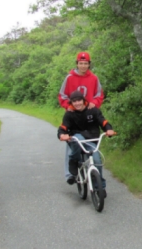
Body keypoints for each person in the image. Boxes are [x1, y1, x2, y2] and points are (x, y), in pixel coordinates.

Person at [57, 90, 116, 197]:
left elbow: (102, 121)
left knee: (97, 160)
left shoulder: (92, 110)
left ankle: (100, 187)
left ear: (84, 100)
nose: (77, 103)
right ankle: (74, 160)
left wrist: (109, 130)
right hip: (77, 139)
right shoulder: (69, 114)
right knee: (76, 138)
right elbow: (63, 127)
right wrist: (62, 135)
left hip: (91, 140)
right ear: (71, 103)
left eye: (79, 100)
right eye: (74, 101)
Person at [58, 52, 104, 184]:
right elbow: (62, 95)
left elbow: (99, 94)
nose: (83, 66)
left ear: (89, 64)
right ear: (77, 63)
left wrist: (94, 103)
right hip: (73, 114)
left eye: (86, 63)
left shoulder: (94, 78)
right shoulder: (69, 78)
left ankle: (95, 176)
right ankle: (70, 174)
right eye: (81, 63)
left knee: (91, 142)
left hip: (88, 114)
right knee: (73, 143)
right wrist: (69, 106)